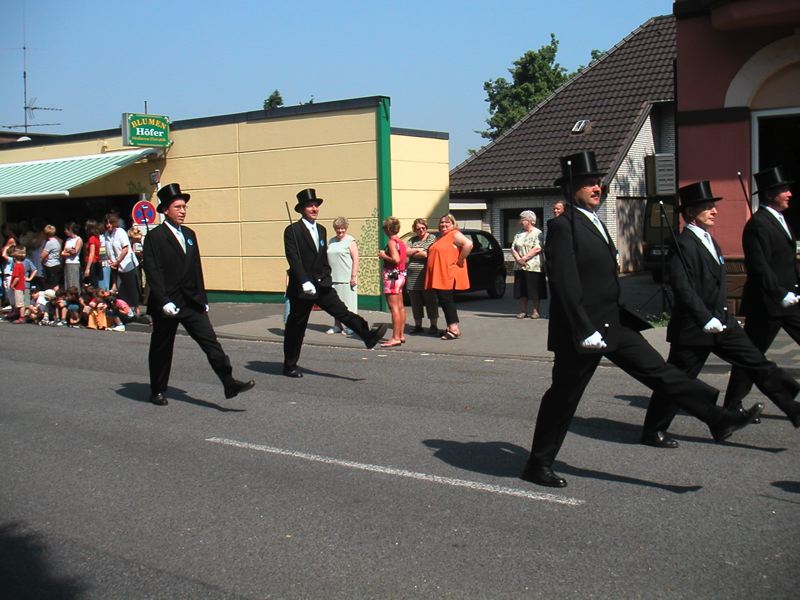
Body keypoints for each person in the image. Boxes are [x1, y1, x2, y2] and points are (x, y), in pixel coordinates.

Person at [519, 151, 763, 488]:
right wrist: (582, 328)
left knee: (660, 372)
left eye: (598, 182)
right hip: (583, 331)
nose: (596, 187)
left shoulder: (594, 220)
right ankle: (538, 464)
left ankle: (717, 418)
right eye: (589, 182)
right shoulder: (563, 227)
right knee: (563, 398)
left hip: (612, 323)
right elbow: (563, 283)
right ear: (571, 186)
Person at [641, 181, 800, 447]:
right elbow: (683, 288)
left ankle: (791, 407)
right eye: (707, 207)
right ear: (691, 212)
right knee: (677, 382)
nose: (714, 211)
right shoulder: (682, 244)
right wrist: (705, 318)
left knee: (755, 362)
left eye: (714, 206)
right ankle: (652, 430)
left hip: (723, 323)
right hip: (694, 329)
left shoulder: (708, 239)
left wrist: (722, 316)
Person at [143, 183, 255, 405]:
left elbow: (196, 269)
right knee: (162, 348)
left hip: (191, 302)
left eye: (184, 207)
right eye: (178, 207)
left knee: (211, 343)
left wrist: (203, 299)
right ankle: (157, 389)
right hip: (167, 304)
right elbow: (153, 271)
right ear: (166, 210)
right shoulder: (155, 237)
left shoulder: (190, 234)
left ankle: (228, 382)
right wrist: (163, 300)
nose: (183, 211)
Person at [283, 188, 387, 378]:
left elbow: (323, 257)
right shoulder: (292, 230)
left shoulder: (321, 230)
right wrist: (305, 281)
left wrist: (326, 277)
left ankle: (367, 336)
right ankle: (290, 365)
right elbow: (293, 258)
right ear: (301, 209)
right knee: (296, 327)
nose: (314, 208)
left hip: (322, 284)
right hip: (302, 288)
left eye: (316, 205)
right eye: (310, 206)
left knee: (343, 312)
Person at [724, 165, 800, 412]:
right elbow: (760, 267)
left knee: (752, 355)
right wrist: (780, 293)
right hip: (767, 304)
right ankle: (733, 404)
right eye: (784, 190)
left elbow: (786, 260)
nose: (789, 193)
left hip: (791, 302)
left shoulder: (780, 219)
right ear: (769, 195)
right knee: (752, 356)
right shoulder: (758, 225)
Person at [425, 214, 473, 340]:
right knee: (444, 300)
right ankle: (451, 327)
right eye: (441, 222)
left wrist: (461, 259)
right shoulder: (442, 237)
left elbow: (468, 244)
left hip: (446, 274)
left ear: (452, 224)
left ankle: (454, 329)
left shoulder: (454, 234)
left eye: (447, 222)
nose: (444, 224)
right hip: (439, 274)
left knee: (446, 300)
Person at [326, 217, 359, 336]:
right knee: (335, 305)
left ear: (346, 228)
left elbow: (356, 259)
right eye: (338, 228)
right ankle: (337, 325)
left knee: (349, 305)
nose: (340, 231)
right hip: (333, 278)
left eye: (342, 228)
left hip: (347, 278)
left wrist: (353, 276)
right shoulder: (332, 241)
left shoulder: (350, 241)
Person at [377, 216, 408, 347]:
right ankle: (400, 335)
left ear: (389, 228)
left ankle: (395, 337)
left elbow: (395, 259)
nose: (384, 230)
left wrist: (383, 255)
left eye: (384, 228)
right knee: (400, 307)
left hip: (392, 276)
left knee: (394, 307)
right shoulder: (401, 242)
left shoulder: (391, 242)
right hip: (401, 275)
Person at [405, 218, 439, 334]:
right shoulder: (412, 239)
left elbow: (426, 254)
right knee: (416, 303)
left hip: (426, 276)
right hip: (412, 278)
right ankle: (418, 326)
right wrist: (418, 250)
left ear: (426, 227)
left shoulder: (432, 238)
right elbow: (405, 252)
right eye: (418, 228)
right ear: (414, 230)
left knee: (430, 301)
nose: (420, 230)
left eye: (423, 228)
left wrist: (413, 251)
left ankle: (433, 326)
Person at [103, 213, 140, 313]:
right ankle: (124, 311)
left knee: (132, 288)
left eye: (110, 223)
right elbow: (109, 250)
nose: (108, 225)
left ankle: (137, 310)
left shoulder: (120, 232)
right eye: (107, 223)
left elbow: (125, 249)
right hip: (115, 265)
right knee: (121, 290)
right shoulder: (106, 234)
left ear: (114, 223)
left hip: (127, 264)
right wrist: (112, 262)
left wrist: (117, 261)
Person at [511, 210, 545, 319]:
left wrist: (524, 258)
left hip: (534, 266)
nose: (521, 222)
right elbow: (513, 247)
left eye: (523, 219)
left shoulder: (538, 233)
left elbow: (538, 248)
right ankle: (523, 310)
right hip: (520, 265)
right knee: (521, 289)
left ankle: (535, 311)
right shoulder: (518, 233)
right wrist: (518, 259)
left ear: (529, 221)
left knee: (534, 289)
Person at [61, 222, 83, 290]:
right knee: (68, 282)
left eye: (66, 230)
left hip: (74, 263)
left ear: (70, 230)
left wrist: (68, 250)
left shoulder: (78, 239)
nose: (65, 231)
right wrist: (69, 250)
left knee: (74, 283)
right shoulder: (68, 240)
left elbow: (75, 251)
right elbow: (62, 253)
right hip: (67, 263)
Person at [40, 224, 63, 290]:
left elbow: (42, 255)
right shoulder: (57, 241)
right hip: (57, 264)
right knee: (55, 283)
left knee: (51, 285)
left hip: (50, 265)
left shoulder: (49, 243)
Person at [83, 219, 102, 287]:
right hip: (95, 262)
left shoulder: (92, 239)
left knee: (92, 285)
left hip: (92, 264)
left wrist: (87, 268)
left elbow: (92, 254)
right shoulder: (97, 238)